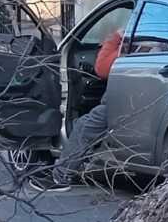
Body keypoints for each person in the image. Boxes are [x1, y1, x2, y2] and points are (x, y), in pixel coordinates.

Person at [29, 28, 124, 192]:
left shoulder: (135, 47)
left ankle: (60, 176)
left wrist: (116, 38)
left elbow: (101, 68)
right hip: (142, 102)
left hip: (121, 102)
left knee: (84, 125)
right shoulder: (157, 45)